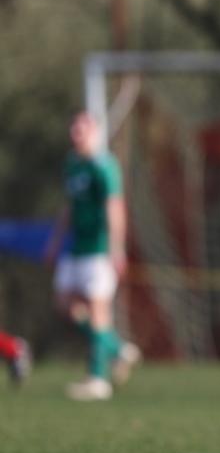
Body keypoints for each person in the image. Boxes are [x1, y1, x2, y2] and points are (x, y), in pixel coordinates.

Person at [43, 112, 140, 401]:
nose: (77, 135)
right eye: (74, 130)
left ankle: (97, 380)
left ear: (96, 134)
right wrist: (54, 241)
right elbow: (70, 207)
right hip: (76, 249)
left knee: (98, 312)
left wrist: (116, 248)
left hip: (98, 250)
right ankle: (117, 350)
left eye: (83, 130)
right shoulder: (72, 164)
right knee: (64, 304)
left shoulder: (104, 166)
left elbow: (115, 208)